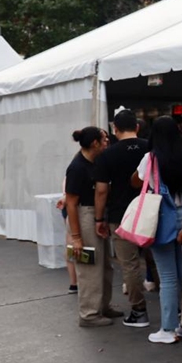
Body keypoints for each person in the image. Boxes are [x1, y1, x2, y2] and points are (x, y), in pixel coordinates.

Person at [132, 116, 182, 344]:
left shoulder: (150, 159)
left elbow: (140, 180)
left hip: (162, 218)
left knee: (167, 277)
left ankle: (168, 329)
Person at [93, 110, 151, 328]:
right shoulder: (150, 147)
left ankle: (139, 310)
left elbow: (101, 191)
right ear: (136, 127)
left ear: (114, 129)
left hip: (121, 215)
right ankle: (175, 309)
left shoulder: (107, 155)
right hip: (151, 212)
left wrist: (100, 219)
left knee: (130, 264)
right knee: (162, 262)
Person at [65, 126, 123, 328]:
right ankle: (89, 313)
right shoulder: (77, 167)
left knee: (104, 265)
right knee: (89, 266)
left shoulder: (96, 162)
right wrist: (76, 236)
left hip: (96, 215)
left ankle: (102, 305)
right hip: (84, 215)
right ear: (94, 143)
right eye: (104, 139)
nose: (107, 142)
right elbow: (71, 202)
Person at [56, 181, 78, 294]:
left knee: (70, 242)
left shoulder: (72, 169)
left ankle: (73, 283)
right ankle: (77, 282)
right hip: (77, 205)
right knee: (75, 243)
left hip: (68, 204)